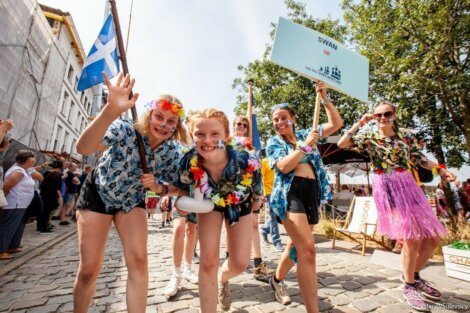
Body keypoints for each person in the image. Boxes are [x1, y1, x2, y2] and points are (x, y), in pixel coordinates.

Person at [73, 73, 188, 312]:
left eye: (171, 122)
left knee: (138, 262)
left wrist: (159, 188)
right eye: (159, 117)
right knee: (89, 269)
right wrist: (109, 110)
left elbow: (181, 187)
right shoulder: (125, 129)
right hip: (98, 194)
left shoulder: (173, 153)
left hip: (131, 201)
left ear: (177, 127)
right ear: (149, 115)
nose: (164, 125)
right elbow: (83, 147)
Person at [337, 100, 455, 312]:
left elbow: (420, 159)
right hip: (388, 188)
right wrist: (360, 122)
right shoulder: (368, 137)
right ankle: (409, 285)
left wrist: (441, 170)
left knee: (433, 238)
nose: (382, 118)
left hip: (409, 185)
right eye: (378, 115)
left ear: (395, 115)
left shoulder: (407, 136)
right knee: (412, 237)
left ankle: (413, 275)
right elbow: (342, 144)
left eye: (387, 114)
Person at [266, 81, 342, 312]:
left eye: (283, 117)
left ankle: (276, 280)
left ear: (293, 118)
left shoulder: (305, 133)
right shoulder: (274, 143)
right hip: (290, 194)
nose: (279, 122)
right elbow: (285, 167)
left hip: (311, 193)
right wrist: (305, 147)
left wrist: (325, 98)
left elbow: (336, 124)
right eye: (275, 120)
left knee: (296, 246)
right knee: (308, 249)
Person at [177, 109, 263, 312]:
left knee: (240, 263)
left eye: (215, 134)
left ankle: (223, 278)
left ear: (227, 136)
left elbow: (257, 182)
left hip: (239, 202)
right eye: (200, 134)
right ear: (191, 136)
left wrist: (258, 199)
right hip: (207, 203)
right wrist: (173, 199)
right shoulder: (188, 161)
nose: (207, 140)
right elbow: (181, 186)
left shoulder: (244, 159)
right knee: (208, 261)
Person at [231, 116, 273, 282]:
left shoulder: (253, 148)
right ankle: (231, 258)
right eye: (238, 124)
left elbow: (258, 172)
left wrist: (258, 193)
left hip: (249, 191)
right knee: (231, 226)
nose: (241, 126)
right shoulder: (226, 144)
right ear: (233, 126)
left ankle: (258, 263)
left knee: (254, 225)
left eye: (244, 125)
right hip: (230, 191)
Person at [0, 150, 36, 260]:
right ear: (28, 159)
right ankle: (1, 250)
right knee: (8, 227)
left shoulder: (24, 171)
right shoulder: (18, 171)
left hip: (21, 204)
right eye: (33, 158)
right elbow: (6, 186)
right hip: (15, 203)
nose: (34, 160)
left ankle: (10, 246)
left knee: (14, 226)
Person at [163, 195, 199, 299]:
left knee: (191, 229)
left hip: (195, 193)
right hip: (178, 192)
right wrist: (165, 194)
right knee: (178, 228)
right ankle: (176, 274)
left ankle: (187, 270)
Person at [259, 148, 283, 251]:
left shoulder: (281, 160)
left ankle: (265, 229)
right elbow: (260, 177)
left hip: (281, 192)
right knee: (273, 216)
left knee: (279, 216)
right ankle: (276, 241)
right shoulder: (264, 161)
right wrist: (262, 194)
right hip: (269, 192)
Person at [38, 160, 64, 233]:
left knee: (44, 211)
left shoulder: (47, 173)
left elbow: (43, 183)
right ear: (60, 167)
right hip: (51, 195)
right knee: (47, 211)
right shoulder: (57, 174)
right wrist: (60, 196)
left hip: (44, 194)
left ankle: (40, 227)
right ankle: (44, 228)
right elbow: (57, 187)